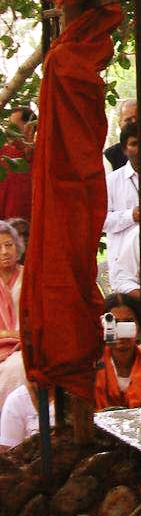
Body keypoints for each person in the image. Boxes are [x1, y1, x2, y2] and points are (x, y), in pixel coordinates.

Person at [104, 120, 140, 293]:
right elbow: (101, 221)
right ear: (125, 149)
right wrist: (130, 216)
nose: (140, 149)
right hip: (125, 271)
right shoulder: (112, 181)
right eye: (134, 144)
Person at [94, 293, 141, 410]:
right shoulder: (91, 365)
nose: (121, 331)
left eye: (128, 322)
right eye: (114, 323)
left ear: (139, 327)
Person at [0, 221, 26, 411]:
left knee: (17, 366)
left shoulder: (30, 277)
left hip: (23, 347)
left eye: (9, 245)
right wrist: (7, 334)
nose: (4, 252)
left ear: (18, 248)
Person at [0, 106, 35, 223]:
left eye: (14, 126)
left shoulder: (42, 157)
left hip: (28, 226)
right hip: (3, 228)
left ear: (30, 127)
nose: (9, 131)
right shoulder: (3, 153)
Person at [104, 99, 137, 172]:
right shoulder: (110, 156)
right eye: (128, 120)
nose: (134, 123)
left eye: (138, 119)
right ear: (119, 123)